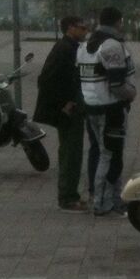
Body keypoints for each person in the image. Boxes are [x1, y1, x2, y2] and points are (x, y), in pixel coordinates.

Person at [77, 6, 136, 218]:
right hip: (111, 108)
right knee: (110, 156)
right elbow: (117, 83)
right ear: (118, 21)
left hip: (92, 106)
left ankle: (110, 199)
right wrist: (131, 94)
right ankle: (103, 203)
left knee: (106, 153)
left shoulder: (84, 46)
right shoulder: (111, 45)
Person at [33, 15, 89, 212]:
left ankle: (70, 194)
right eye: (82, 28)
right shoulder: (65, 49)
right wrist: (64, 103)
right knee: (70, 152)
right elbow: (47, 79)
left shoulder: (70, 47)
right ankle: (67, 198)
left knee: (71, 151)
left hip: (71, 107)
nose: (85, 31)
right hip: (69, 109)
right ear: (70, 28)